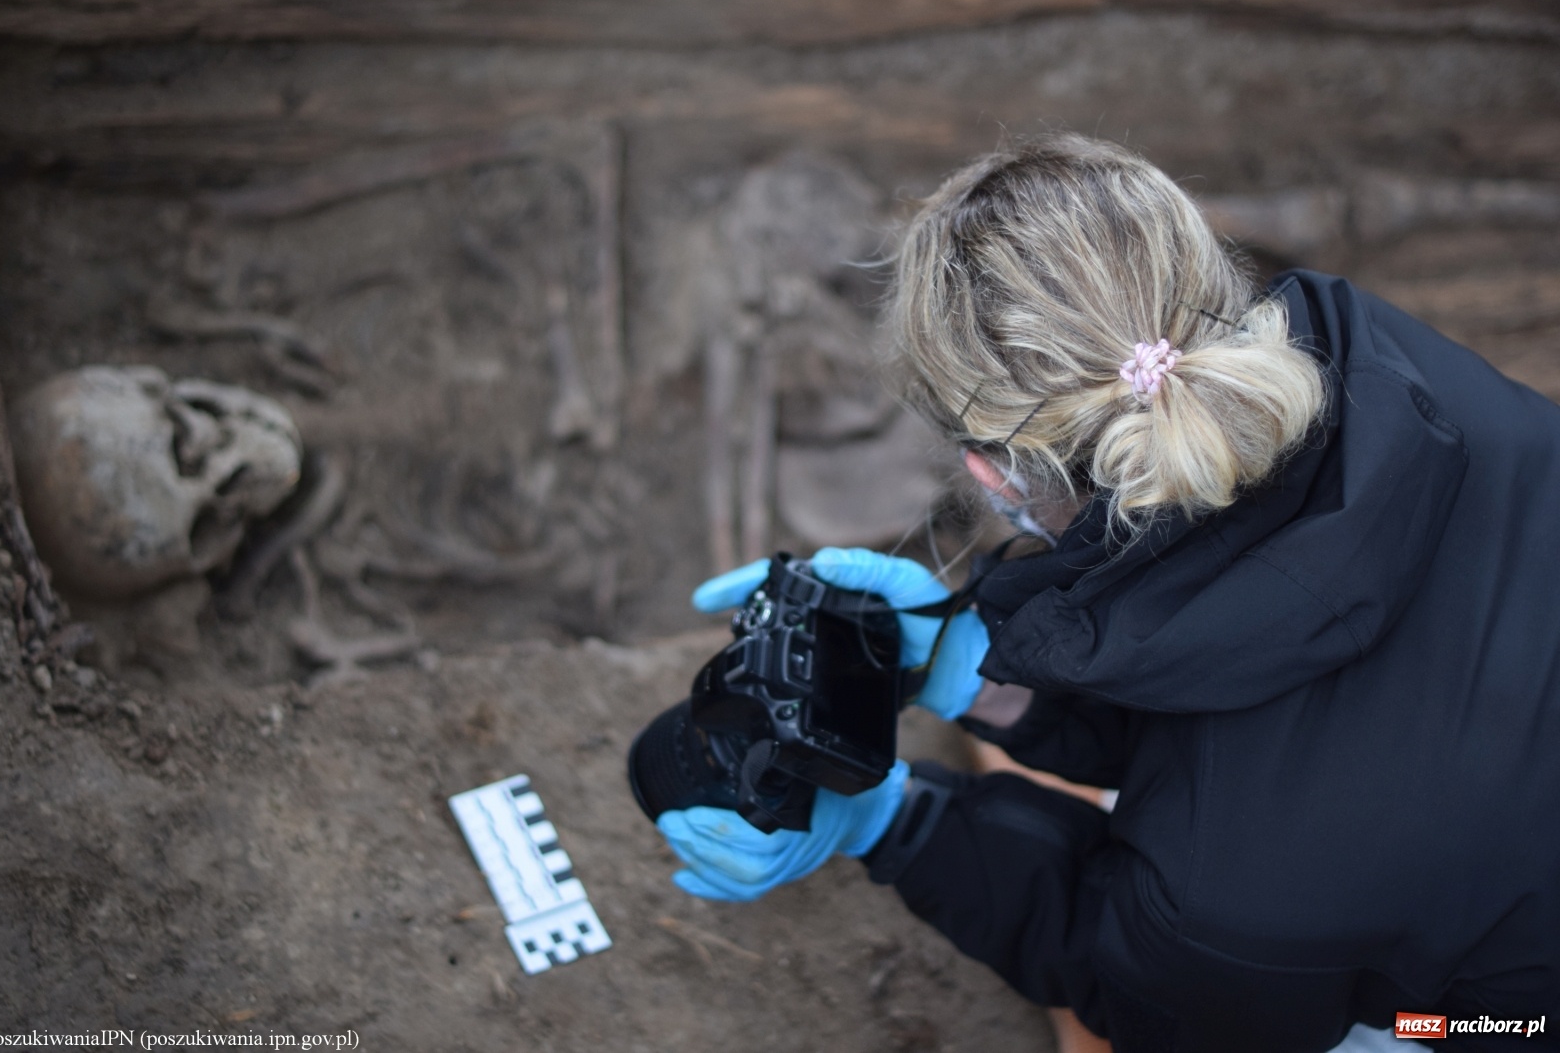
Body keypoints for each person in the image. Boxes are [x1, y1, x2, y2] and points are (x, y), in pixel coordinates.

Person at [653, 133, 1560, 1052]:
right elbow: (1281, 675)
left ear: (993, 478)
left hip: (1516, 1017)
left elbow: (1140, 986)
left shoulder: (1225, 901)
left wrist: (902, 824)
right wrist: (976, 673)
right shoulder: (1382, 357)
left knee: (1401, 1022)